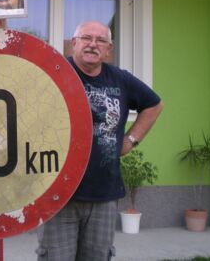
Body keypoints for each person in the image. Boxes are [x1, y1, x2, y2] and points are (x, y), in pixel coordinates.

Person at [36, 20, 163, 261]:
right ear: (74, 43)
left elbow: (154, 105)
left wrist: (131, 139)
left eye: (101, 40)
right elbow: (10, 77)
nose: (93, 44)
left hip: (103, 194)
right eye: (86, 38)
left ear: (108, 49)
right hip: (58, 194)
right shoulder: (54, 72)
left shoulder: (120, 79)